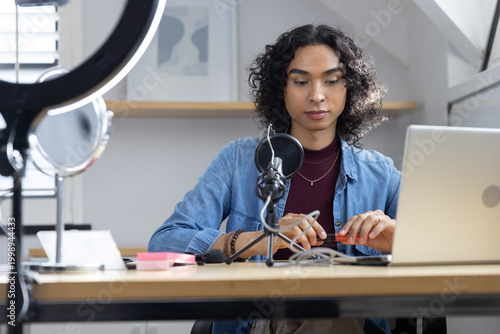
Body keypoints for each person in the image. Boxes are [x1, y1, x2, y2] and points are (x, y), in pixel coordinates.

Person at [149, 24, 401, 334]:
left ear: (349, 88)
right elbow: (165, 242)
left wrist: (400, 239)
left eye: (332, 81)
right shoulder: (238, 160)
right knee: (325, 313)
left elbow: (448, 247)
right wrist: (256, 240)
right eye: (300, 81)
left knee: (330, 309)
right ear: (281, 89)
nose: (317, 95)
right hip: (258, 322)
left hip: (353, 320)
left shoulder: (381, 173)